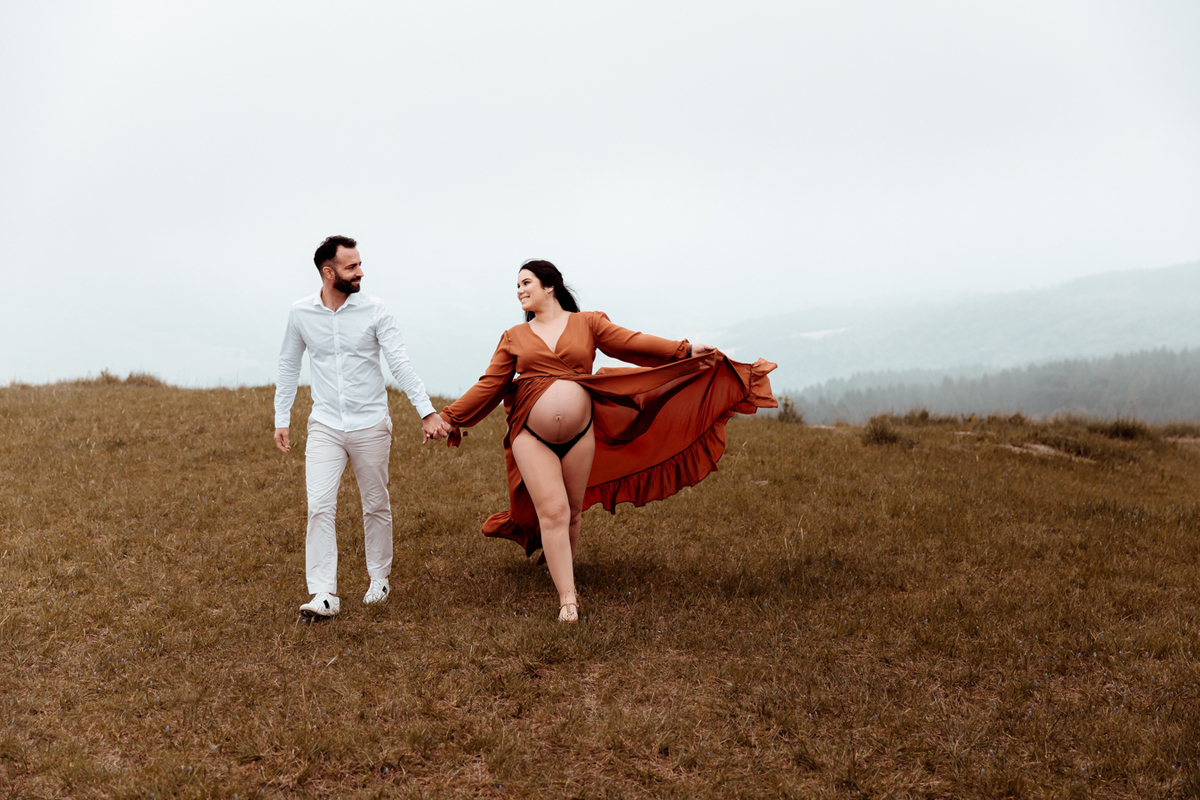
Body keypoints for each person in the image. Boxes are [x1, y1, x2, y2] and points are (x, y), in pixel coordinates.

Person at [438, 260, 777, 622]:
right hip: (530, 435)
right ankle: (568, 599)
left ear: (550, 286)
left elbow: (631, 343)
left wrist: (685, 350)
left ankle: (561, 566)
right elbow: (491, 384)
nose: (519, 290)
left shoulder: (588, 323)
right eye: (517, 285)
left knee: (571, 512)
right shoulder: (514, 337)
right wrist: (449, 417)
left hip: (580, 433)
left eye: (526, 283)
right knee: (553, 511)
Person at [274, 235, 451, 619]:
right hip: (325, 425)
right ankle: (324, 594)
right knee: (319, 505)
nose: (360, 272)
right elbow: (289, 363)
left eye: (359, 264)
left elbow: (399, 362)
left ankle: (379, 578)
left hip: (371, 424)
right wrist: (281, 417)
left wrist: (426, 411)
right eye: (351, 266)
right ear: (328, 272)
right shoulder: (300, 313)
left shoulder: (375, 310)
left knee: (375, 503)